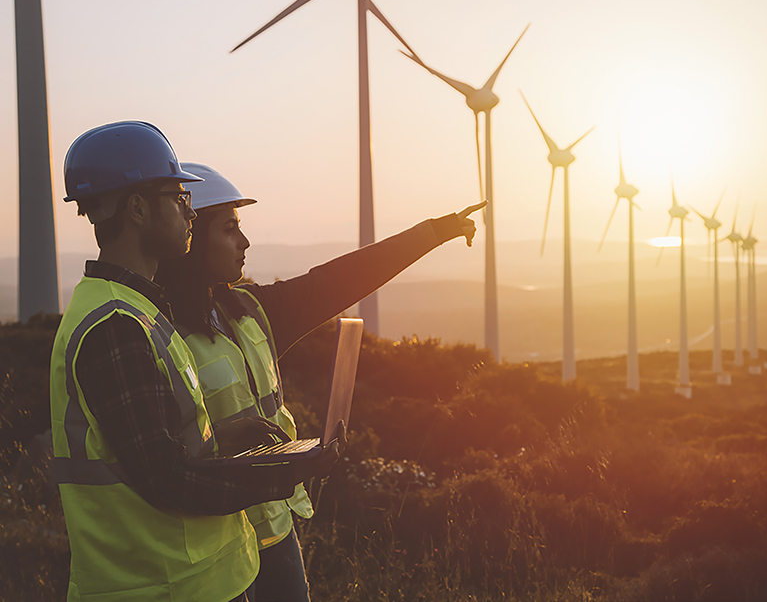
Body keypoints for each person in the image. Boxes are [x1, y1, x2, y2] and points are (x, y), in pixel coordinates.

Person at [154, 162, 486, 601]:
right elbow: (166, 456)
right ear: (192, 238)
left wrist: (433, 232)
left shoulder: (252, 312)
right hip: (213, 544)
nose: (244, 241)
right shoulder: (158, 332)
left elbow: (339, 279)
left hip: (275, 530)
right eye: (230, 229)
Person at [49, 122, 336, 602]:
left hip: (200, 580)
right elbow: (166, 480)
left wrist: (226, 438)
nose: (189, 212)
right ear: (138, 208)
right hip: (159, 587)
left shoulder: (139, 310)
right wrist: (280, 474)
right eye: (180, 197)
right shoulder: (115, 327)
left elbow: (147, 449)